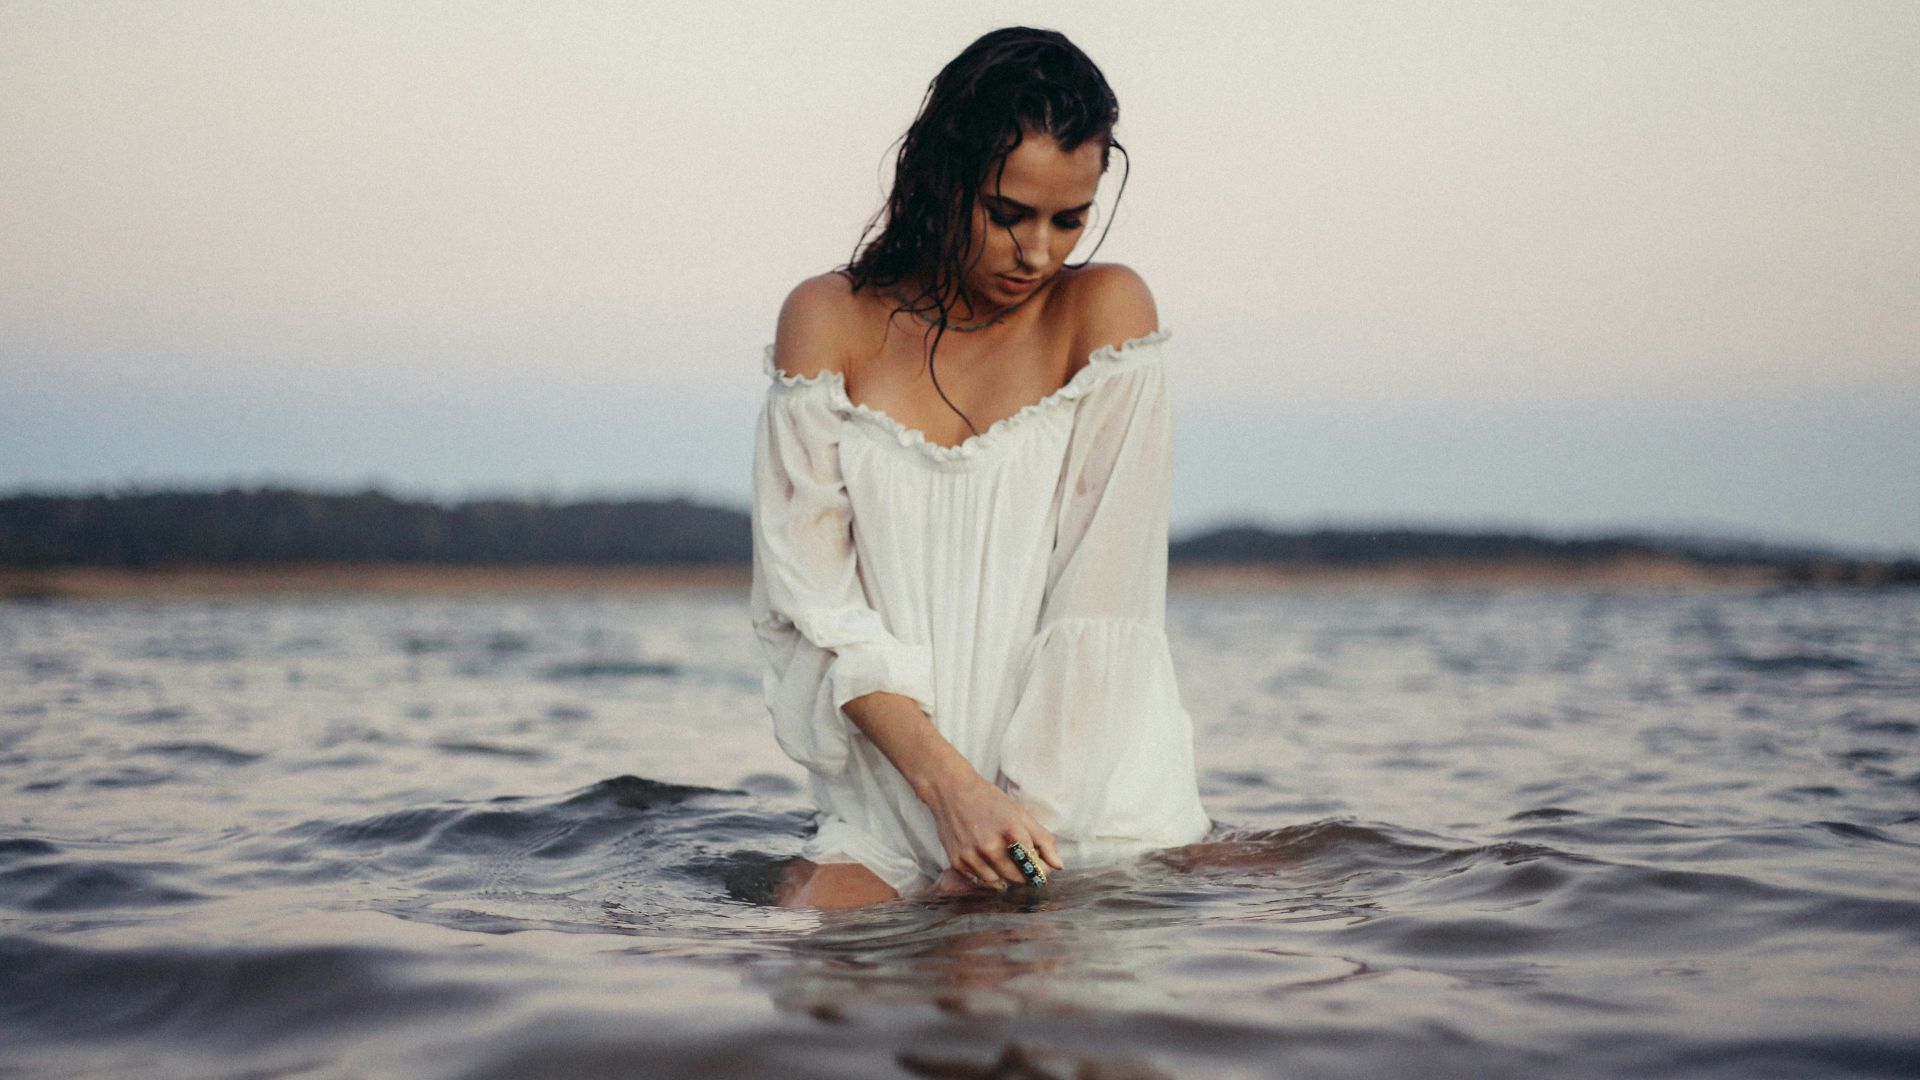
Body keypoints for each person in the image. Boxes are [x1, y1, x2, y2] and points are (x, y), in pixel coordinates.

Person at [750, 26, 1211, 909]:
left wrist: (1014, 838)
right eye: (1008, 214)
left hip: (1082, 804)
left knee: (1009, 962)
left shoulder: (1104, 311)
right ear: (941, 178)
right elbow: (813, 607)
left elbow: (1100, 606)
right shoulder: (826, 319)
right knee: (801, 949)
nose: (1038, 253)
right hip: (896, 801)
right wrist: (953, 793)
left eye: (1069, 220)